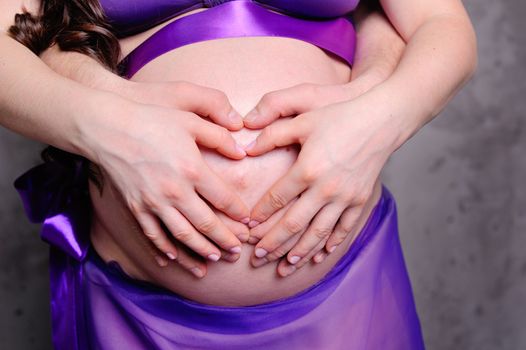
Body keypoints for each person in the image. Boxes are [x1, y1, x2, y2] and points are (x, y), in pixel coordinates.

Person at [1, 0, 477, 349]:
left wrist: (379, 120)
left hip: (348, 292)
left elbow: (441, 23)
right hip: (139, 311)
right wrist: (109, 130)